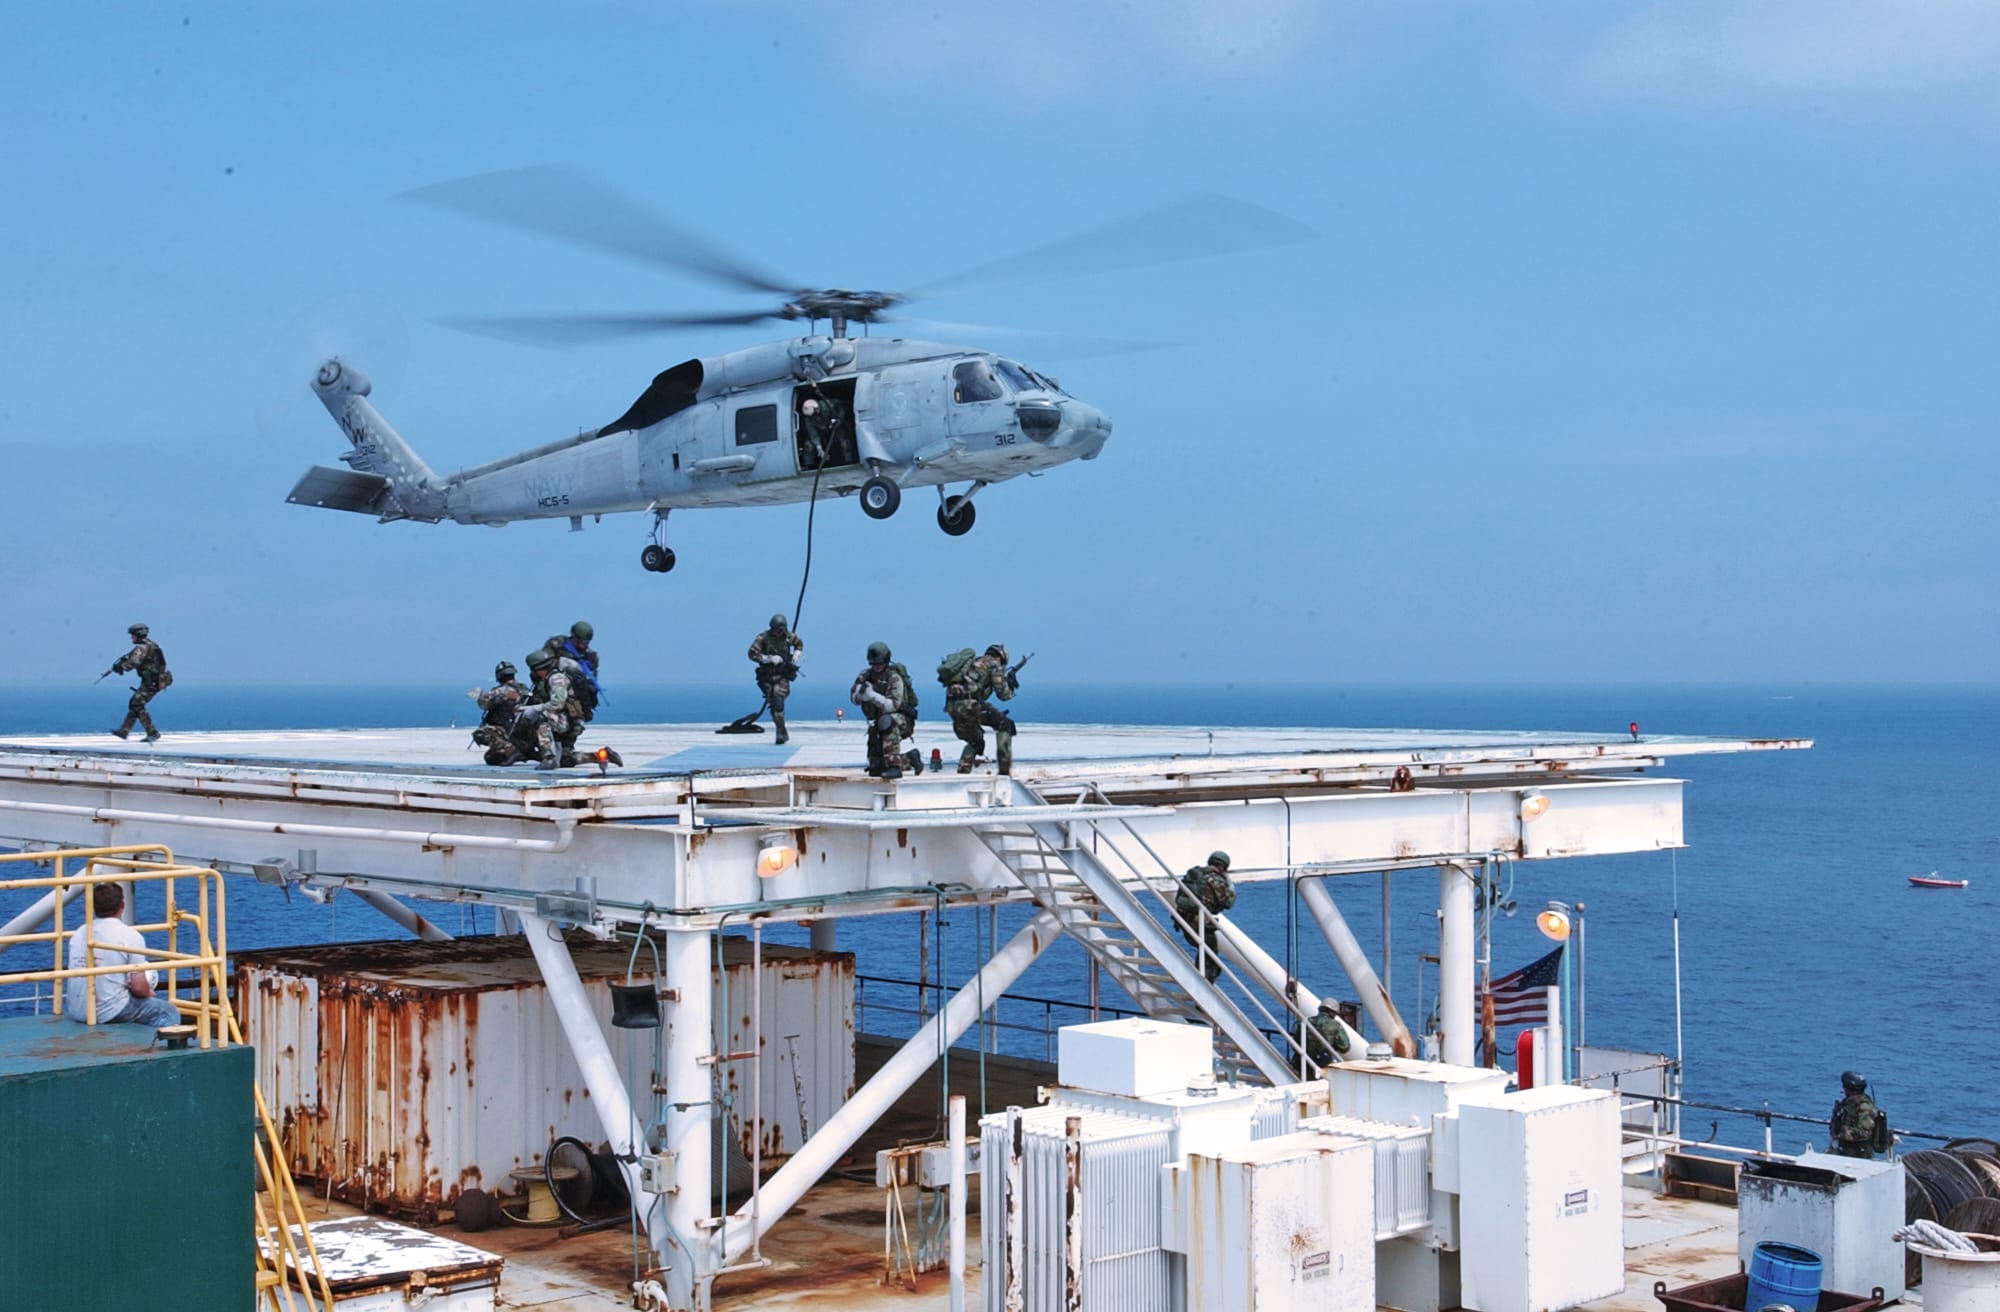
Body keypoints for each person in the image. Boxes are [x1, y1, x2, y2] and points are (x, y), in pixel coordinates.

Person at [63, 883, 179, 1027]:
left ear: (93, 906)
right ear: (122, 904)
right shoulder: (130, 936)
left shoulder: (79, 933)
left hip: (77, 1010)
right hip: (108, 1011)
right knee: (167, 1012)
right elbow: (138, 987)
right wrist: (148, 992)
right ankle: (153, 1041)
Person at [946, 643, 1019, 775]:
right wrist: (1010, 685)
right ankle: (1004, 771)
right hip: (970, 706)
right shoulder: (994, 664)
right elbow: (1003, 694)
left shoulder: (971, 664)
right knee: (1005, 725)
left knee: (975, 741)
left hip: (953, 707)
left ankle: (963, 772)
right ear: (1000, 657)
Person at [850, 641, 919, 779]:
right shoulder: (865, 676)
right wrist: (860, 695)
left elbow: (892, 706)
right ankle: (910, 758)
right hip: (878, 722)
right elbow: (853, 699)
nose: (877, 666)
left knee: (886, 721)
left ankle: (894, 767)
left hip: (900, 720)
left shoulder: (894, 678)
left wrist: (872, 696)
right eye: (874, 663)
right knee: (876, 769)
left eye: (880, 663)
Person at [1174, 851, 1236, 982]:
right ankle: (1202, 984)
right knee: (1211, 958)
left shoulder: (1194, 874)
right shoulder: (1215, 880)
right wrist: (1231, 888)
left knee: (1204, 952)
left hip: (1184, 920)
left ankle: (1198, 978)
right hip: (1199, 923)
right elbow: (1228, 903)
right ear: (1222, 866)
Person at [108, 622, 172, 743]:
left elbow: (134, 663)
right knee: (135, 703)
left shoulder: (142, 648)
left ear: (138, 635)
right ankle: (124, 731)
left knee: (137, 704)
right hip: (156, 681)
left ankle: (152, 732)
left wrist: (121, 667)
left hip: (151, 682)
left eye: (132, 635)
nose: (131, 638)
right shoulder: (152, 645)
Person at [748, 614, 804, 745]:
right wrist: (767, 658)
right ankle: (781, 729)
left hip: (781, 675)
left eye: (781, 630)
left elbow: (799, 643)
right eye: (777, 630)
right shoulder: (763, 638)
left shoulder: (789, 637)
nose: (779, 633)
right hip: (767, 676)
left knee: (778, 701)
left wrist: (797, 653)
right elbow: (751, 654)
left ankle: (780, 731)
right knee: (773, 702)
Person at [518, 649, 574, 770]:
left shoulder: (556, 679)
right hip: (565, 718)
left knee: (539, 717)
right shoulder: (548, 679)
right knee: (566, 759)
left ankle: (549, 758)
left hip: (568, 720)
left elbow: (557, 704)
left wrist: (535, 709)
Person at [468, 660, 528, 765]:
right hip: (526, 733)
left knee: (480, 734)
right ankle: (523, 753)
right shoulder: (523, 689)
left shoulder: (502, 691)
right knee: (491, 758)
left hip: (510, 731)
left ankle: (513, 750)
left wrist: (479, 695)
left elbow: (484, 704)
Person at [544, 621, 602, 725]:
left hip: (575, 694)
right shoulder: (557, 645)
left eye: (587, 642)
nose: (584, 646)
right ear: (575, 638)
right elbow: (543, 664)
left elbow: (590, 680)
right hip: (552, 687)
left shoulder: (590, 656)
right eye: (582, 642)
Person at [1829, 1070, 1891, 1158]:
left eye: (1845, 1087)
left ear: (1851, 1089)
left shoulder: (1864, 1108)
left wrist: (1841, 1131)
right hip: (1844, 1150)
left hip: (1859, 1154)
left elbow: (1864, 1134)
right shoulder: (1849, 1102)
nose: (1844, 1089)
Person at [1304, 998, 1354, 1070]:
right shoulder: (1335, 1025)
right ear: (1332, 1012)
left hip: (1304, 1063)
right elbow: (1345, 1047)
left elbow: (1297, 1041)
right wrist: (1334, 1046)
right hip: (1323, 1064)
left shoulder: (1307, 1021)